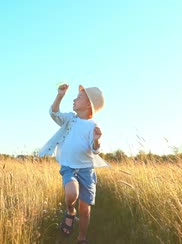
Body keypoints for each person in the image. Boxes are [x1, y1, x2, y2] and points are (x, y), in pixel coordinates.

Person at [39, 83, 108, 244]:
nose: (74, 99)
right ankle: (70, 211)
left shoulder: (93, 126)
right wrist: (60, 95)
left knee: (85, 209)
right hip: (69, 167)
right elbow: (54, 113)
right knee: (72, 194)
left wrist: (97, 141)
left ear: (88, 106)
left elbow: (95, 149)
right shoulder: (70, 119)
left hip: (87, 171)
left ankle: (82, 238)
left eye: (79, 98)